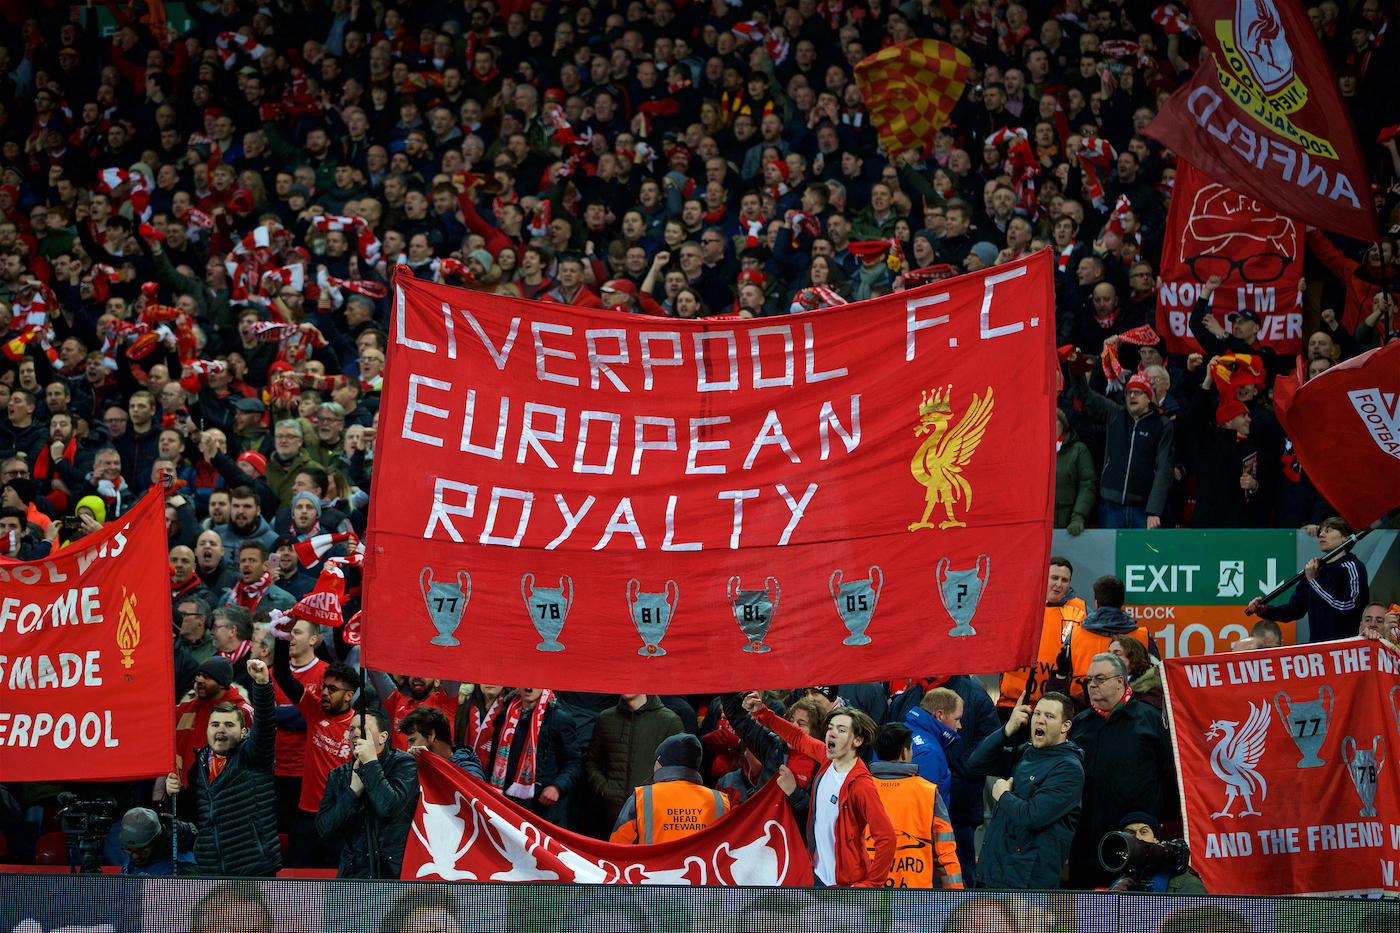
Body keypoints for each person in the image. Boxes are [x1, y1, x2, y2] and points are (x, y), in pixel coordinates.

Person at [1066, 652, 1177, 890]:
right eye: (1089, 679)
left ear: (1120, 681)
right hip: (1085, 848)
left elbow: (1169, 775)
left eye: (1100, 678)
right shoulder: (1078, 725)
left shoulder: (1149, 720)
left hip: (1135, 848)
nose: (1092, 684)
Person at [168, 658, 280, 877]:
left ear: (243, 732)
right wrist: (177, 794)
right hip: (212, 869)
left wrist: (263, 685)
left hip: (253, 867)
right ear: (207, 730)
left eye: (229, 725)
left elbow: (266, 725)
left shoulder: (253, 757)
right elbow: (191, 815)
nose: (221, 730)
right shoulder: (198, 768)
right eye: (215, 724)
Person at [966, 691, 1083, 889]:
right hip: (993, 874)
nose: (1040, 721)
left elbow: (1032, 816)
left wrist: (1003, 795)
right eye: (1037, 714)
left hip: (1025, 887)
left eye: (1050, 716)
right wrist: (1007, 730)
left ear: (1066, 726)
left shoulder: (1069, 769)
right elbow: (976, 764)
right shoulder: (1028, 751)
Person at [271, 620, 360, 868]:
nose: (324, 693)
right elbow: (281, 674)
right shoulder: (314, 710)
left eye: (332, 689)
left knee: (339, 886)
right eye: (323, 687)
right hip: (307, 814)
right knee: (295, 884)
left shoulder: (360, 727)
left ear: (348, 695)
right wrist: (282, 636)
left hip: (340, 818)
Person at [789, 707, 896, 887]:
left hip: (847, 887)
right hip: (818, 876)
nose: (832, 733)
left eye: (841, 730)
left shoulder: (861, 786)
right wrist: (763, 714)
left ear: (857, 740)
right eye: (830, 727)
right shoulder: (827, 759)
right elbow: (798, 738)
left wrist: (871, 885)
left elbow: (887, 838)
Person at [316, 707, 419, 879]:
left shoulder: (403, 763)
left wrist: (370, 764)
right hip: (353, 874)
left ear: (383, 736)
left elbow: (390, 806)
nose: (355, 734)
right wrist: (352, 792)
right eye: (351, 729)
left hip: (393, 874)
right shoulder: (338, 775)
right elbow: (324, 830)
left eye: (362, 728)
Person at [866, 723, 963, 889]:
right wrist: (956, 897)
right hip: (914, 897)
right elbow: (944, 852)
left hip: (866, 894)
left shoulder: (859, 789)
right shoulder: (928, 792)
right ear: (905, 753)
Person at [1248, 516, 1369, 644]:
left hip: (1347, 650)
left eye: (1328, 531)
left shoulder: (1352, 567)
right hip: (1318, 650)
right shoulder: (1315, 570)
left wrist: (1314, 581)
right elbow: (1293, 610)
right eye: (1320, 531)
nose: (1321, 535)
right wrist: (1265, 611)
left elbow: (1348, 605)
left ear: (1346, 538)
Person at [998, 557, 1087, 722]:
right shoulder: (1018, 605)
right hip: (1013, 704)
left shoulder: (1082, 611)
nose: (1059, 584)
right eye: (1054, 578)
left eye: (1064, 580)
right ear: (1044, 576)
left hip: (1056, 707)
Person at [583, 694, 683, 834]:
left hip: (653, 817)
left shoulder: (669, 720)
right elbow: (591, 760)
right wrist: (604, 788)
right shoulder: (606, 718)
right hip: (613, 816)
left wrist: (659, 798)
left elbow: (679, 771)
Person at [482, 687, 580, 827]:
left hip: (543, 811)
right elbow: (494, 760)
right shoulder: (503, 718)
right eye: (526, 681)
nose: (529, 687)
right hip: (506, 807)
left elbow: (573, 762)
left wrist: (557, 786)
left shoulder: (558, 719)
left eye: (536, 682)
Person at [610, 733, 728, 844]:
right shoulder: (721, 801)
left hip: (655, 866)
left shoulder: (641, 798)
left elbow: (618, 849)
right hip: (702, 865)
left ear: (660, 762)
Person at [1061, 575, 1156, 680]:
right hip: (1132, 696)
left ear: (1096, 603)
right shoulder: (1144, 636)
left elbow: (1061, 677)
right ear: (1122, 602)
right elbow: (1157, 678)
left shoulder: (1074, 637)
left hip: (1081, 695)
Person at [1109, 811, 1207, 893]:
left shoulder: (1182, 881)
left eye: (1144, 832)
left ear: (1156, 840)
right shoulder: (1119, 885)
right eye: (1130, 833)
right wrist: (1112, 900)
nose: (1137, 837)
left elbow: (1203, 914)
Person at [117, 808, 196, 876]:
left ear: (155, 840)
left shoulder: (183, 866)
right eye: (129, 850)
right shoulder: (135, 849)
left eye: (142, 851)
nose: (134, 856)